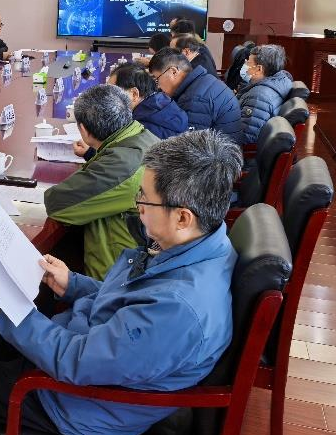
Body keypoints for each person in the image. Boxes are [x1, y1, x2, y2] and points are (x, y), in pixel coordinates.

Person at [0, 130, 242, 435]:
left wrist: (4, 304)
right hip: (94, 357)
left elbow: (75, 361)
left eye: (144, 198)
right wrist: (75, 284)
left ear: (183, 217)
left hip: (79, 404)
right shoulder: (201, 246)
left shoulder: (179, 311)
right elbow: (133, 304)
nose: (137, 205)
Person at [44, 84, 158, 279]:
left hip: (117, 281)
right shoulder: (142, 136)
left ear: (83, 129)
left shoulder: (121, 166)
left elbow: (57, 203)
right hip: (142, 265)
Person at [149, 48, 243, 143]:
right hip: (222, 146)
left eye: (157, 79)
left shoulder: (195, 99)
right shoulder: (202, 81)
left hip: (222, 151)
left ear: (173, 72)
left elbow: (191, 145)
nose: (158, 86)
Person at [106, 62, 188, 140]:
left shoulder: (140, 130)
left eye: (112, 92)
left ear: (134, 94)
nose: (106, 98)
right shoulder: (164, 105)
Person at [236, 44, 293, 144]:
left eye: (248, 62)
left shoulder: (258, 97)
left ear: (259, 69)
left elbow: (245, 137)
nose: (245, 64)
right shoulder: (279, 82)